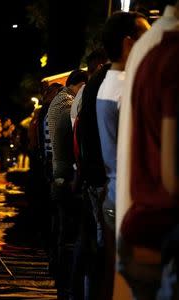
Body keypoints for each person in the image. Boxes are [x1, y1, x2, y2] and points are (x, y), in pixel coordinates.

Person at [118, 30, 179, 300]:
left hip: (139, 220)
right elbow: (171, 176)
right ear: (125, 43)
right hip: (162, 232)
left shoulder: (150, 58)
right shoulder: (171, 61)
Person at [95, 12, 149, 300]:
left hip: (116, 196)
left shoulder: (109, 83)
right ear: (130, 44)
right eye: (147, 37)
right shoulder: (129, 88)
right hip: (132, 201)